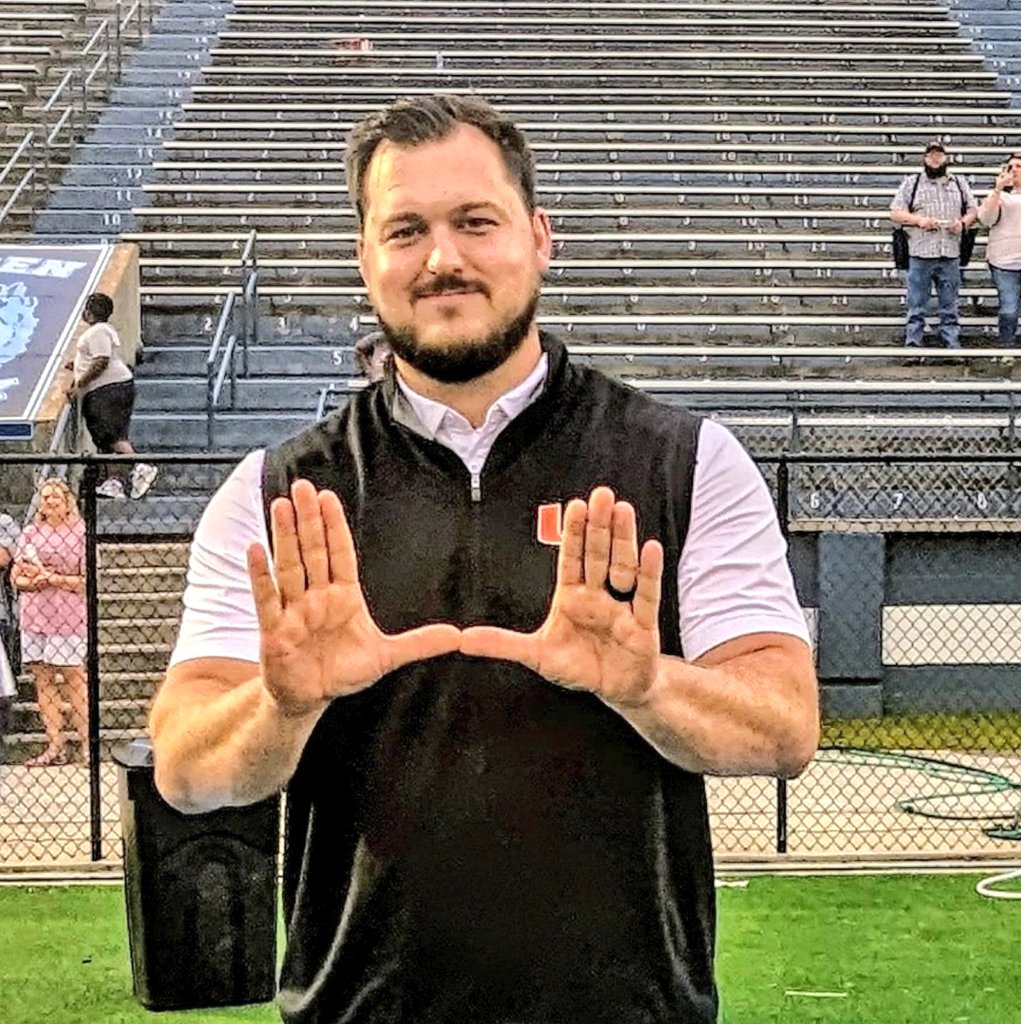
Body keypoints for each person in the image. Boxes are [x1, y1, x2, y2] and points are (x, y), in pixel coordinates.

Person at [149, 95, 819, 1024]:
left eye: (475, 222)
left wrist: (642, 686)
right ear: (365, 257)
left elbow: (785, 727)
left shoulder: (684, 460)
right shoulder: (276, 495)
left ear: (539, 237)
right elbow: (187, 770)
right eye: (405, 230)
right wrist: (284, 702)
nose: (442, 259)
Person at [12, 479, 87, 767]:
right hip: (35, 615)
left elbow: (86, 580)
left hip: (68, 616)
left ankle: (85, 745)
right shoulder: (30, 533)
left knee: (73, 677)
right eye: (45, 497)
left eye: (56, 497)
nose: (50, 502)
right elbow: (16, 576)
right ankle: (55, 745)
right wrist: (33, 581)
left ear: (67, 501)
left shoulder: (80, 534)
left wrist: (55, 579)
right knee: (42, 679)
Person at [67, 292, 158, 500]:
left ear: (90, 312)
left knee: (112, 435)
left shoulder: (97, 331)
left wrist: (79, 383)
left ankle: (140, 466)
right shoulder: (101, 332)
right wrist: (77, 366)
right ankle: (113, 481)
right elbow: (94, 358)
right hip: (109, 388)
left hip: (108, 389)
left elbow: (101, 361)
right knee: (105, 440)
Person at [890, 141, 979, 350]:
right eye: (930, 156)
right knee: (916, 305)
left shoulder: (959, 183)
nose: (935, 159)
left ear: (946, 158)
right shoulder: (912, 183)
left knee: (950, 305)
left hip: (950, 252)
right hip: (920, 252)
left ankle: (951, 342)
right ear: (924, 159)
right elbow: (895, 212)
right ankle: (913, 343)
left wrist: (963, 223)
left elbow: (974, 210)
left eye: (938, 155)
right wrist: (919, 221)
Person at [978, 153, 1021, 348]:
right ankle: (1007, 346)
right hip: (1004, 262)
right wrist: (997, 189)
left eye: (1019, 166)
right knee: (1009, 308)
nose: (1015, 170)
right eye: (1011, 167)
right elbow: (986, 219)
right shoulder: (999, 197)